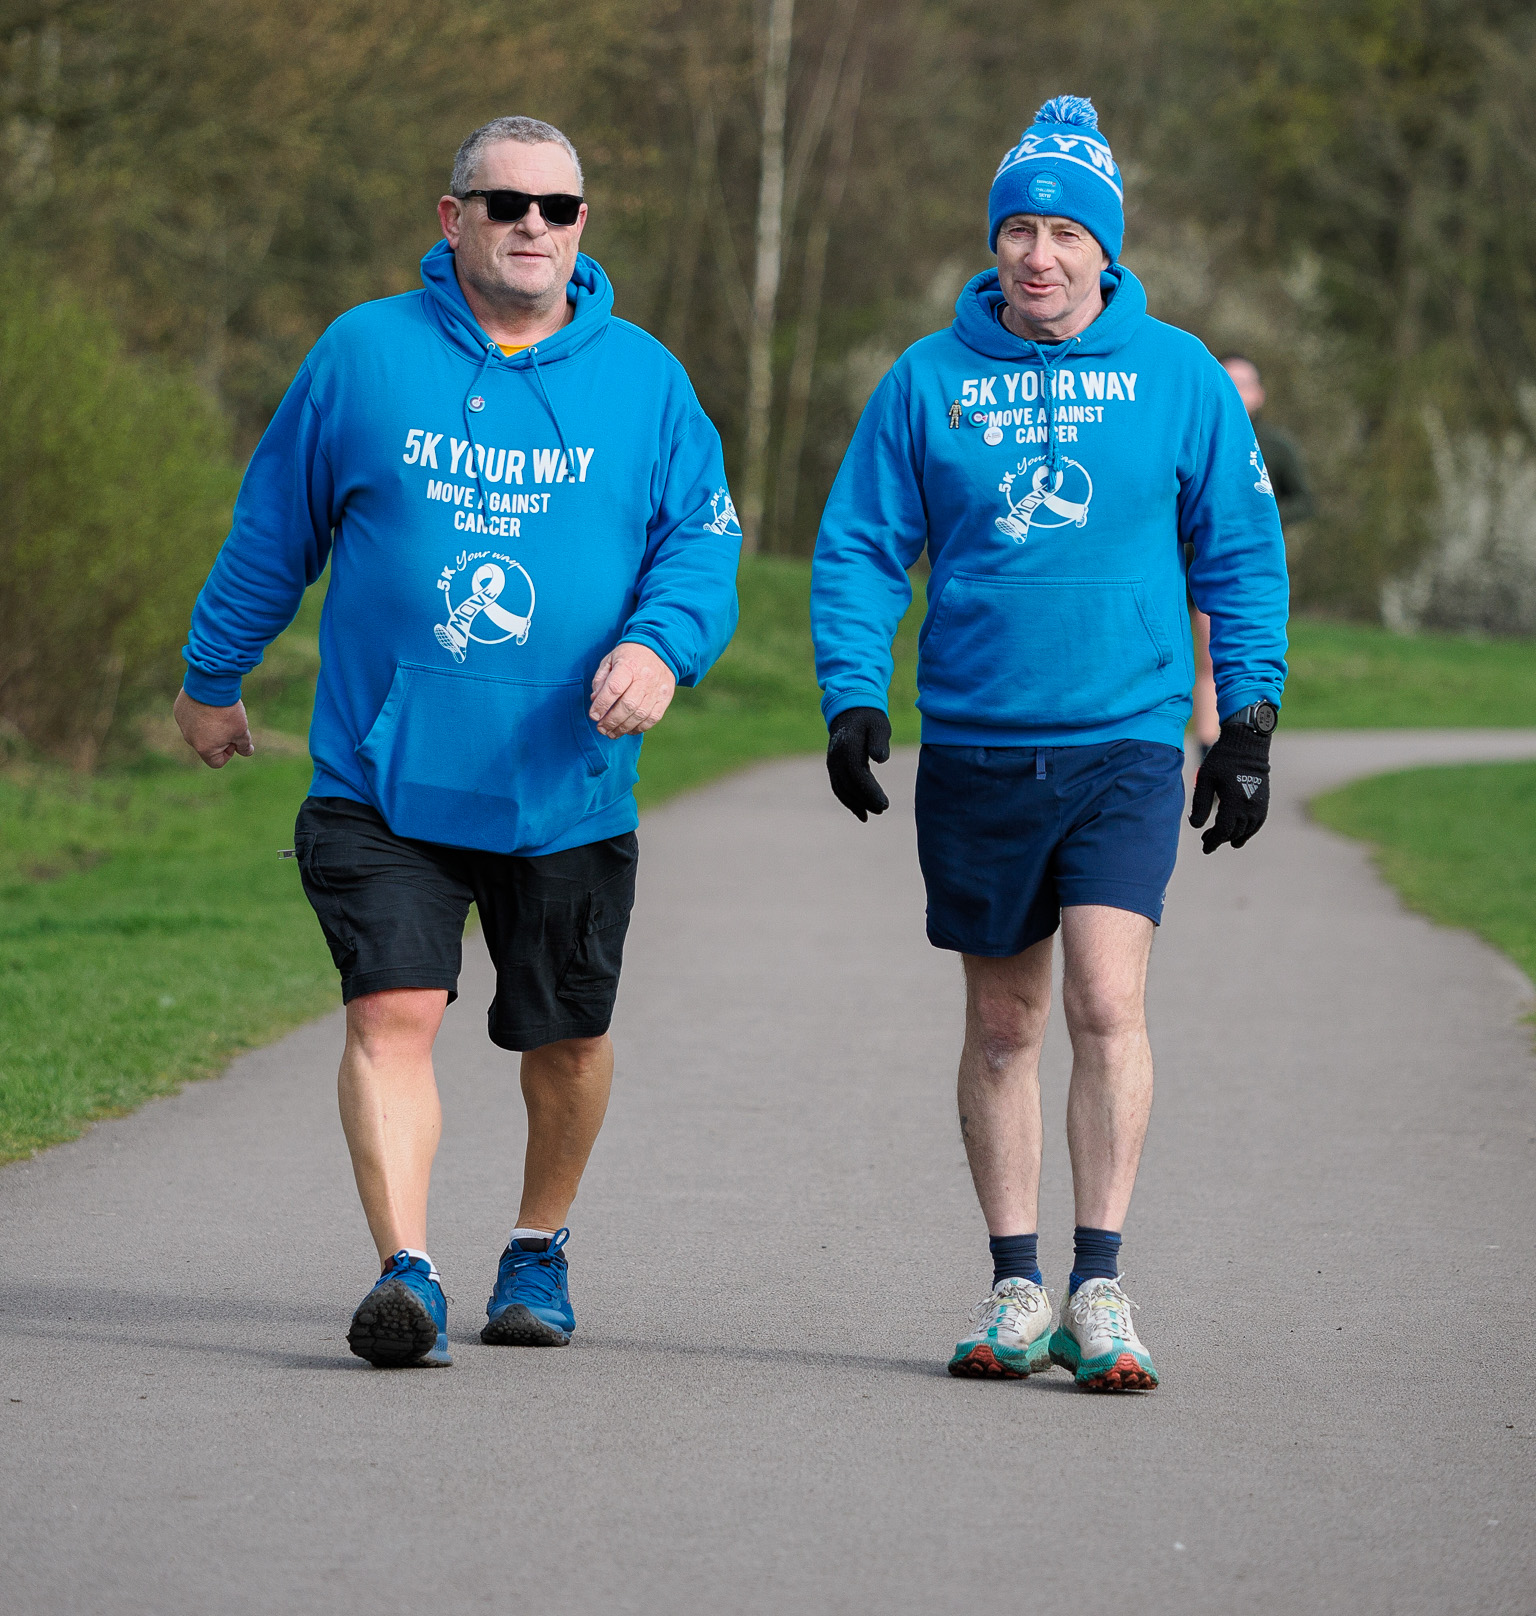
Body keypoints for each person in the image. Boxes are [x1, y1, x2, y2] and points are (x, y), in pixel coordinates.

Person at [174, 115, 740, 1368]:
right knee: (393, 1010)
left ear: (584, 224)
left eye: (559, 206)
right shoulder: (362, 355)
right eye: (505, 203)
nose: (533, 224)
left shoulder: (646, 378)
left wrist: (662, 644)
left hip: (566, 782)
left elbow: (702, 543)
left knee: (568, 1038)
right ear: (453, 217)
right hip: (386, 773)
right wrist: (212, 674)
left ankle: (539, 1245)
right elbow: (274, 527)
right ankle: (406, 1271)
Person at [810, 96, 1288, 1392]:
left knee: (1105, 1001)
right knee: (1008, 1024)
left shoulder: (1179, 376)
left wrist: (1245, 722)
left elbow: (1239, 557)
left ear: (1105, 250)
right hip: (974, 745)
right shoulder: (926, 382)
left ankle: (1103, 1284)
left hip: (1125, 742)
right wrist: (854, 694)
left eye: (1064, 231)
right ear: (995, 245)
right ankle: (1017, 1285)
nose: (1039, 253)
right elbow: (859, 546)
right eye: (1018, 228)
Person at [1191, 354, 1312, 748]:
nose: (1237, 392)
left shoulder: (1276, 446)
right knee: (1204, 657)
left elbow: (1304, 500)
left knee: (1240, 652)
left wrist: (1261, 515)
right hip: (1193, 563)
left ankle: (1236, 743)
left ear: (1259, 394)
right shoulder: (1194, 437)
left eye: (1244, 384)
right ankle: (1208, 743)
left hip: (1248, 567)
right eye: (1229, 381)